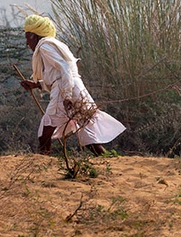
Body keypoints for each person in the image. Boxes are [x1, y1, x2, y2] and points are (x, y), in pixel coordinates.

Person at [19, 14, 126, 155]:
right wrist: (37, 85)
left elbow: (65, 68)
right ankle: (105, 158)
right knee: (84, 126)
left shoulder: (44, 46)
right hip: (75, 87)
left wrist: (67, 95)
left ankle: (42, 162)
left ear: (33, 36)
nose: (27, 43)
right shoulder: (53, 44)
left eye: (27, 38)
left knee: (48, 124)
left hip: (65, 89)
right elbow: (58, 74)